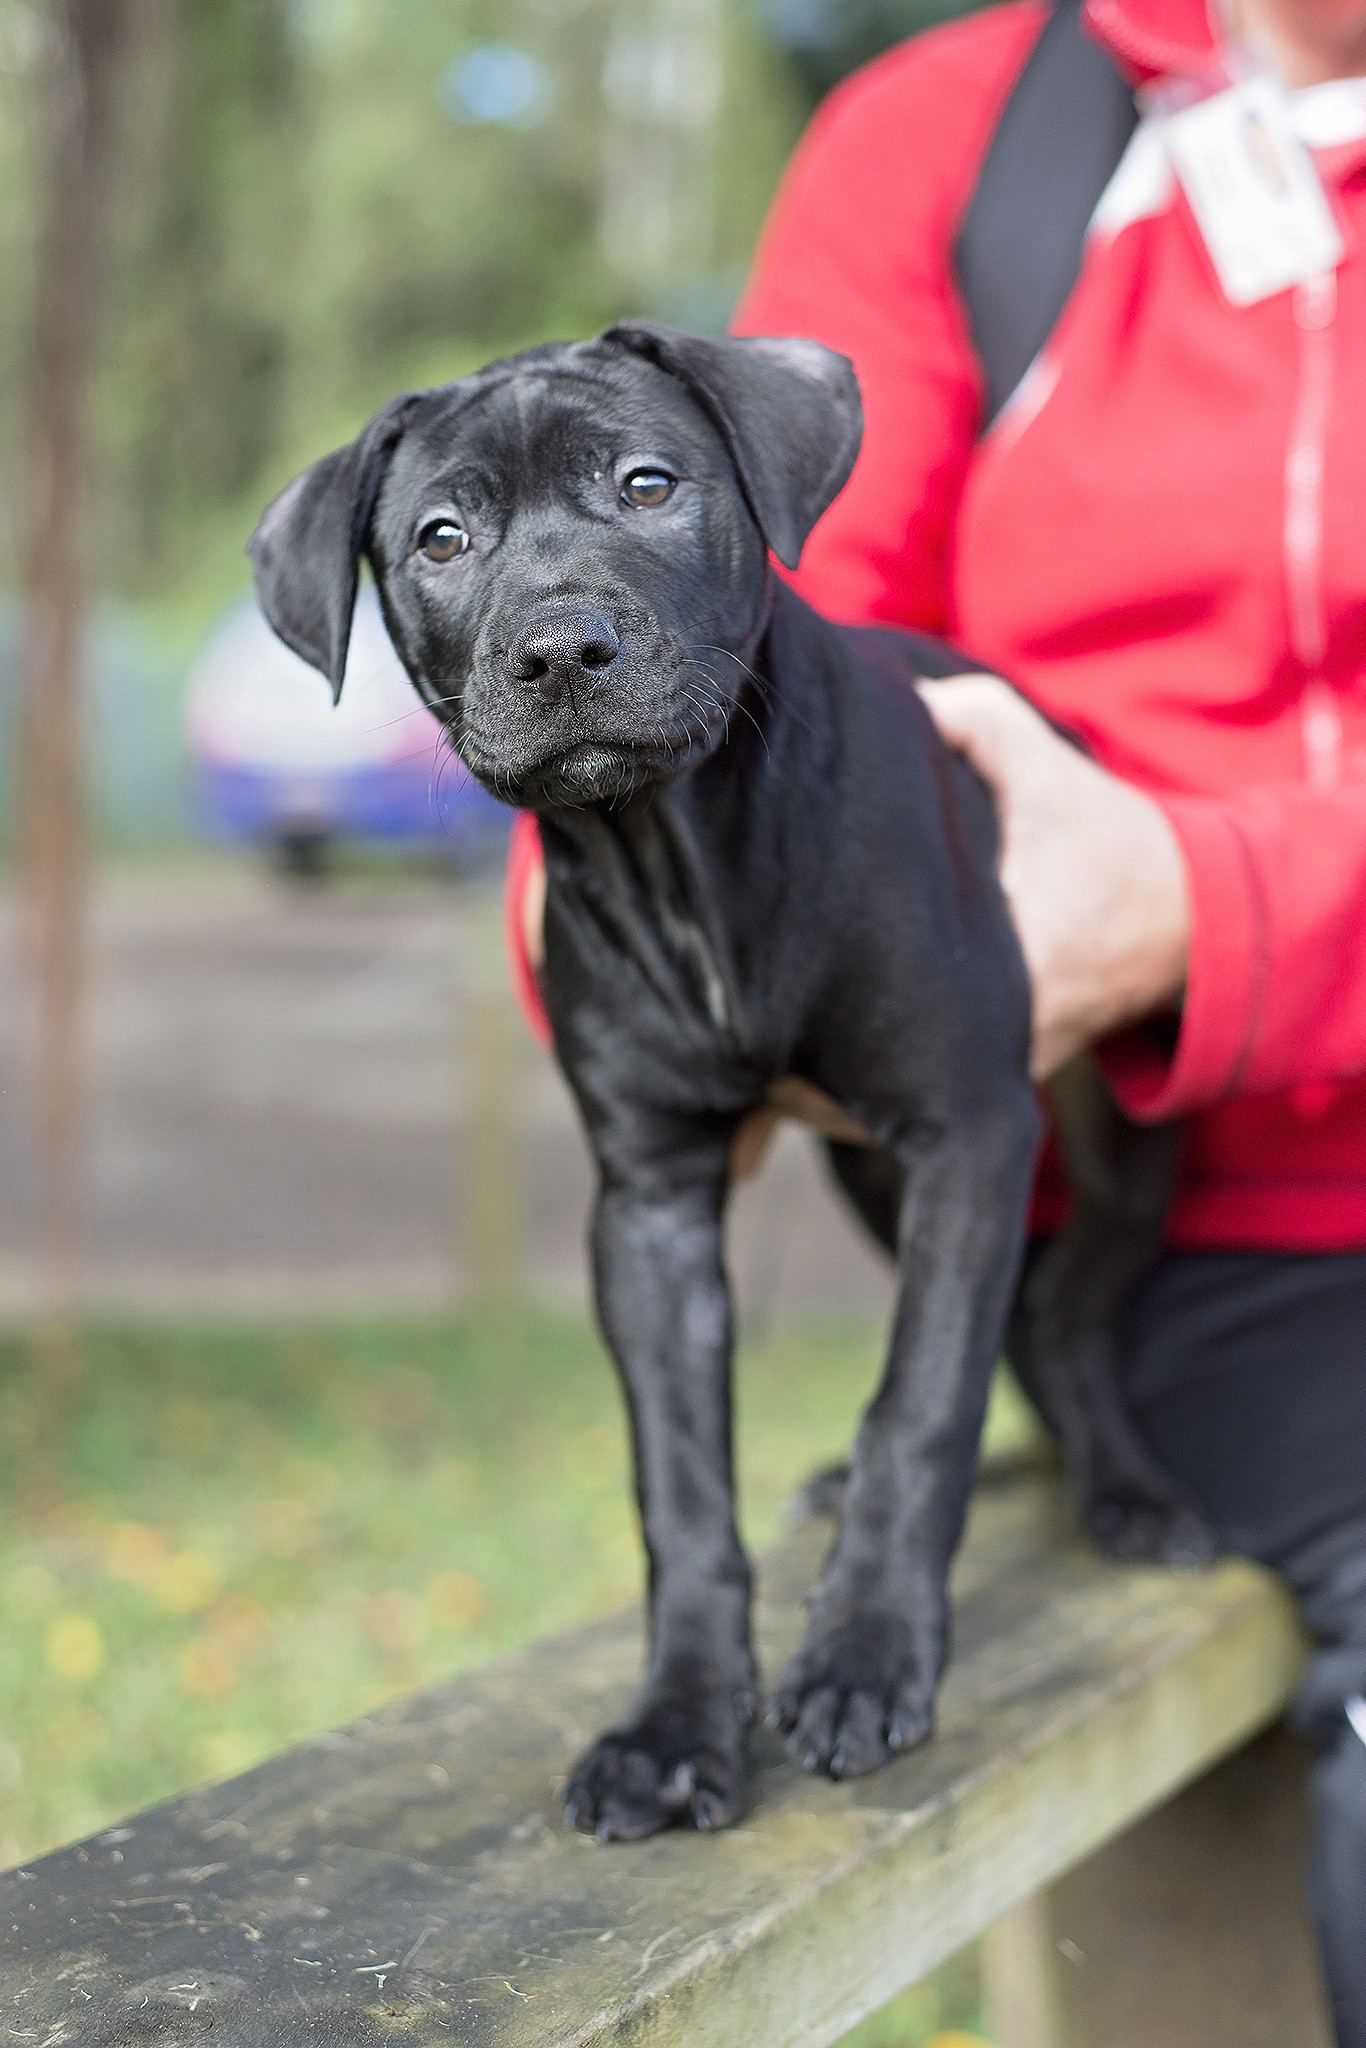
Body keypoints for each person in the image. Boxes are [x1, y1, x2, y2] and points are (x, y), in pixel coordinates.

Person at [727, 0, 1366, 2037]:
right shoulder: (957, 142)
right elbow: (751, 636)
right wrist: (640, 921)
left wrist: (1207, 901)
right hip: (1214, 1244)